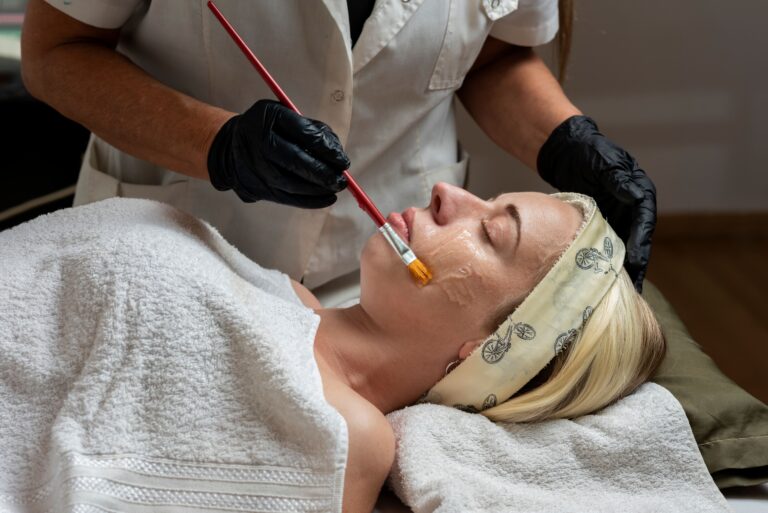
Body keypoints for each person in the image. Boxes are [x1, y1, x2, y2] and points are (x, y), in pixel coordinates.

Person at [0, 183, 665, 512]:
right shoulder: (281, 293)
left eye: (492, 234)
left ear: (490, 349)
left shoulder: (348, 435)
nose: (446, 192)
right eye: (483, 197)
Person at [20, 0, 657, 305]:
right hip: (169, 259)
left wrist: (570, 143)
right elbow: (54, 54)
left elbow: (492, 54)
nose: (454, 201)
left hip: (384, 285)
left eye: (494, 232)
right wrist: (218, 143)